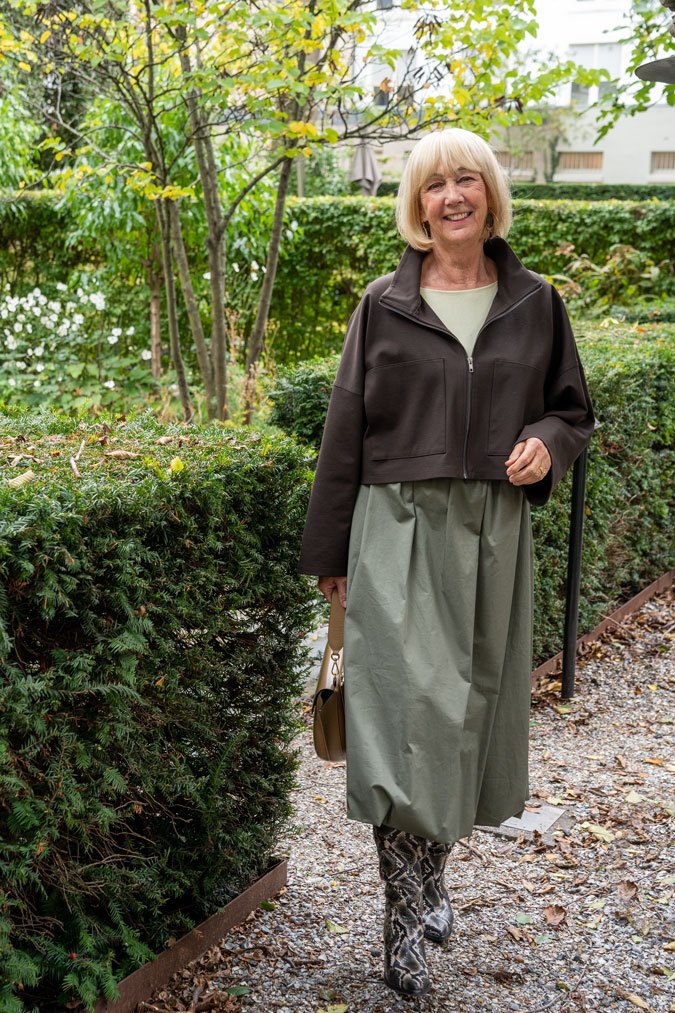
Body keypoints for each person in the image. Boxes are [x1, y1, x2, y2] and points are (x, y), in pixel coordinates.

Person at [298, 128, 595, 998]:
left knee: (465, 710)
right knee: (398, 718)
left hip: (492, 532)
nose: (452, 196)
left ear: (490, 197)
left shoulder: (534, 301)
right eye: (434, 186)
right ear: (417, 206)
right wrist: (330, 553)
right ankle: (401, 911)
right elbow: (343, 430)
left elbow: (571, 410)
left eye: (467, 180)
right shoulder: (380, 305)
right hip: (394, 528)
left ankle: (431, 875)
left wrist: (544, 444)